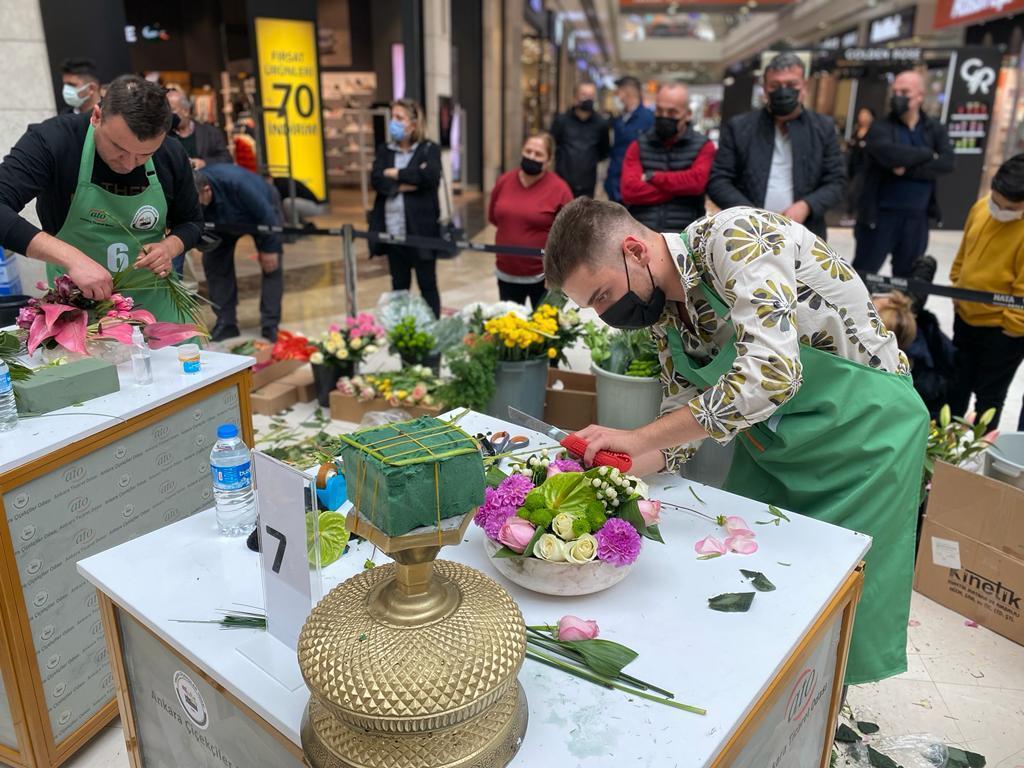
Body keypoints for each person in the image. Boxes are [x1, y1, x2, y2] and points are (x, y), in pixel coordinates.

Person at [544, 198, 927, 687]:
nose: (604, 315)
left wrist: (638, 436)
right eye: (592, 306)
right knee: (754, 577)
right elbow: (680, 417)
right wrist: (625, 462)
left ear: (635, 251)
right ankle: (770, 702)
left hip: (866, 435)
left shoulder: (734, 238)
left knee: (834, 597)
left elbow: (770, 375)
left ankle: (819, 713)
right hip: (778, 444)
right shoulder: (665, 314)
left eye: (602, 295)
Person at [0, 74, 202, 320]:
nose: (129, 164)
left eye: (144, 154)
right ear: (96, 116)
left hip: (156, 306)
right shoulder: (54, 140)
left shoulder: (171, 153)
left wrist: (169, 247)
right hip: (77, 306)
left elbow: (192, 222)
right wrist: (72, 258)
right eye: (119, 148)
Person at [707, 52, 845, 241]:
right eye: (775, 85)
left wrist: (806, 205)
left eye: (791, 85)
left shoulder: (823, 128)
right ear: (765, 88)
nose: (783, 91)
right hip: (747, 233)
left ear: (804, 86)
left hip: (805, 235)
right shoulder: (740, 127)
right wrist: (751, 215)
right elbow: (719, 180)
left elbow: (836, 182)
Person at [853, 71, 954, 278]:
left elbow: (947, 162)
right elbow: (887, 154)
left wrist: (906, 168)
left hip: (917, 217)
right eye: (895, 91)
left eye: (904, 91)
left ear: (919, 95)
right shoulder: (880, 127)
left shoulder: (934, 129)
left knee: (907, 280)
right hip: (880, 215)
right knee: (861, 276)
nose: (898, 95)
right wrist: (927, 154)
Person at [947, 154, 1024, 426]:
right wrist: (957, 288)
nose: (1000, 208)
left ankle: (977, 456)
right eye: (997, 199)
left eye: (1009, 206)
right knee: (956, 385)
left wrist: (1012, 327)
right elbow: (964, 253)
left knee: (989, 397)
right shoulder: (982, 207)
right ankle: (945, 452)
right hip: (966, 316)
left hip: (1002, 331)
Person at [369, 99, 442, 317]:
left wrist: (395, 173)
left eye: (400, 118)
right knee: (399, 286)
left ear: (413, 123)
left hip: (421, 231)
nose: (394, 122)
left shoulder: (429, 149)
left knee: (427, 284)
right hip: (393, 231)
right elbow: (377, 180)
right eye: (393, 117)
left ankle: (432, 329)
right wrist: (408, 183)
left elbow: (429, 177)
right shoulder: (385, 150)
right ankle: (403, 330)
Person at [195, 165, 284, 342]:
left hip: (260, 215)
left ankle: (270, 324)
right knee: (215, 265)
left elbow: (267, 216)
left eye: (196, 201)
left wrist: (270, 248)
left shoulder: (238, 185)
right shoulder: (196, 192)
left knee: (271, 266)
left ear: (206, 190)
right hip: (219, 222)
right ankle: (226, 323)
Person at [487, 132, 572, 307]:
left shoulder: (560, 189)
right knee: (510, 330)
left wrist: (556, 273)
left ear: (548, 160)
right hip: (506, 273)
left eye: (538, 154)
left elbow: (569, 236)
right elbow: (494, 218)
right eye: (528, 151)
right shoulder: (504, 181)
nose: (532, 156)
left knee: (545, 330)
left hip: (543, 278)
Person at [620, 80, 715, 232]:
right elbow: (629, 191)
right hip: (641, 232)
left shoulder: (703, 146)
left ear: (688, 114)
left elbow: (697, 182)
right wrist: (681, 189)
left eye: (672, 112)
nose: (664, 116)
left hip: (685, 235)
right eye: (659, 111)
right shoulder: (637, 145)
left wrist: (652, 177)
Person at [550, 82, 610, 199]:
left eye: (591, 95)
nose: (588, 98)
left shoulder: (601, 124)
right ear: (575, 97)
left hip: (587, 184)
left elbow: (604, 152)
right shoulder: (561, 121)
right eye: (583, 94)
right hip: (562, 182)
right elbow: (552, 147)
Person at [604, 76, 653, 204]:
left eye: (618, 91)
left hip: (635, 185)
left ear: (628, 92)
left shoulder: (648, 119)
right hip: (615, 184)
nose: (616, 95)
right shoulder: (619, 119)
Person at [166, 89, 232, 170]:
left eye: (172, 110)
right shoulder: (165, 136)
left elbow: (226, 159)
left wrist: (204, 163)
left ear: (186, 111)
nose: (167, 114)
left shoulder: (210, 132)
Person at [842, 107, 875, 224]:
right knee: (850, 189)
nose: (863, 117)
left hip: (864, 167)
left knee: (855, 191)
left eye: (866, 114)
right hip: (853, 165)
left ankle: (852, 214)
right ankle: (849, 213)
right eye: (861, 114)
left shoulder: (873, 132)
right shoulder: (856, 130)